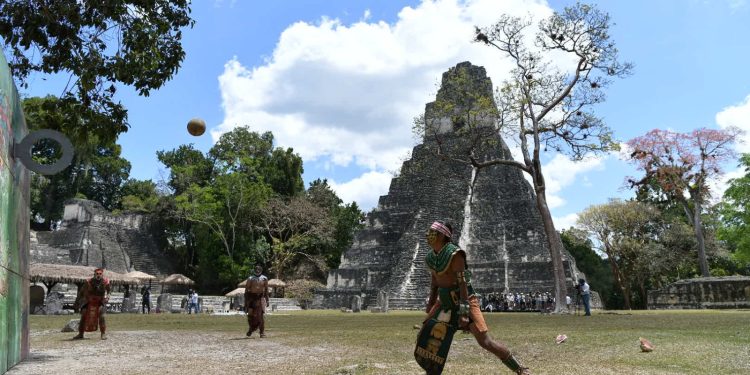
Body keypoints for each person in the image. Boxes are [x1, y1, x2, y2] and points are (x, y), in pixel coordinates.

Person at [415, 221, 530, 374]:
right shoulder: (431, 257)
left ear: (443, 235)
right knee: (427, 333)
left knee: (486, 342)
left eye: (432, 231)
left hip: (464, 301)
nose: (428, 234)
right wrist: (431, 302)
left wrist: (463, 313)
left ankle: (519, 369)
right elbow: (435, 281)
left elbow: (463, 285)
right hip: (444, 303)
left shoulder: (455, 254)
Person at [73, 268, 111, 340]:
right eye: (97, 274)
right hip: (88, 301)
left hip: (100, 302)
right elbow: (81, 292)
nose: (98, 275)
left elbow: (109, 291)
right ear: (94, 274)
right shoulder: (88, 282)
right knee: (84, 314)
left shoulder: (106, 282)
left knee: (101, 316)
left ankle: (103, 334)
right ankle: (81, 334)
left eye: (100, 274)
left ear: (102, 274)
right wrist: (76, 302)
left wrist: (107, 297)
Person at [244, 265, 269, 338]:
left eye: (259, 269)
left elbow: (266, 289)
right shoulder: (250, 278)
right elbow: (246, 290)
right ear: (254, 270)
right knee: (250, 315)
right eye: (256, 269)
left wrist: (267, 299)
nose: (257, 270)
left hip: (260, 298)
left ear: (261, 270)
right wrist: (246, 301)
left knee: (260, 316)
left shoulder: (264, 278)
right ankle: (251, 329)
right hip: (252, 298)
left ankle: (262, 332)